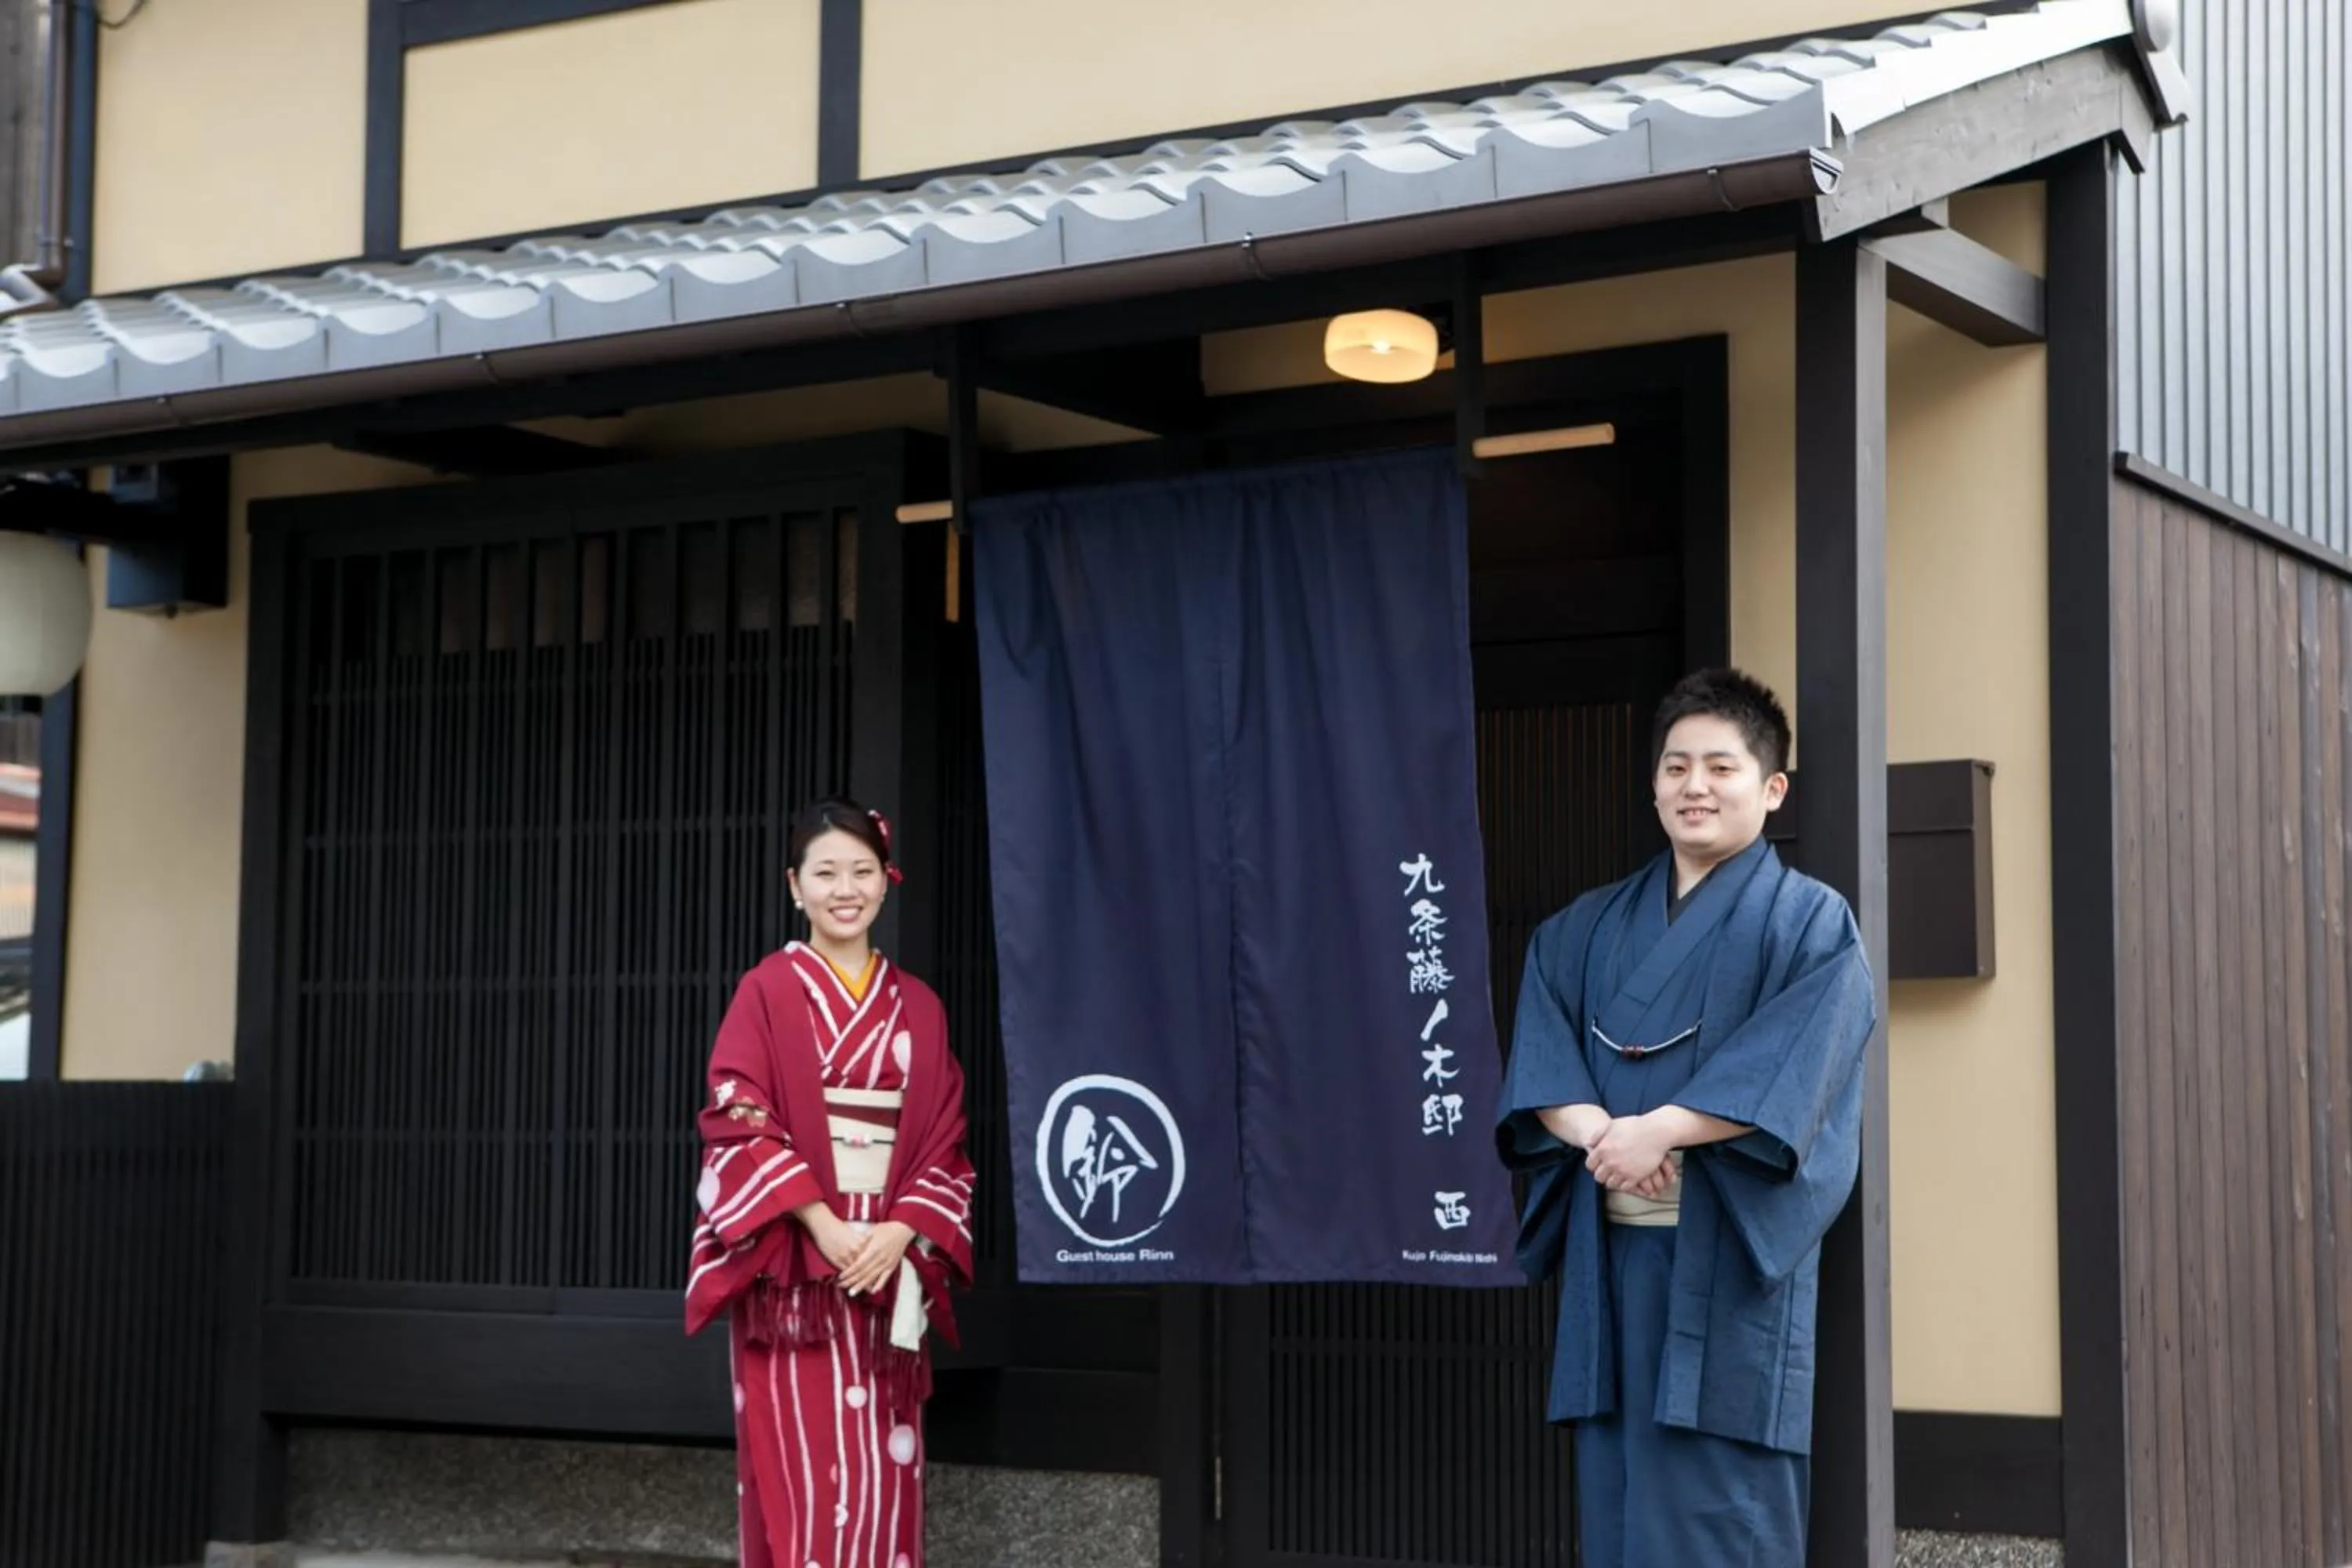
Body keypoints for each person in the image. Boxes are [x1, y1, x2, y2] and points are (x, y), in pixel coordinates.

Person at [1494, 668, 1876, 1568]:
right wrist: (1606, 1137)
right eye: (1675, 766)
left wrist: (1661, 1129)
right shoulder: (1580, 927)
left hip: (1724, 1264)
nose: (1693, 786)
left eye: (1720, 766)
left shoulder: (1813, 925)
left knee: (1717, 1517)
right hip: (1612, 1256)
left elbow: (1794, 1070)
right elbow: (1542, 1054)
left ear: (1772, 788)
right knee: (1621, 1511)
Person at [685, 797, 976, 1568]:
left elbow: (945, 1137)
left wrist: (902, 1228)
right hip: (793, 1267)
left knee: (885, 1475)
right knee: (800, 1472)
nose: (844, 888)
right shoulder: (768, 990)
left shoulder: (919, 1006)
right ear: (795, 884)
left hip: (886, 1260)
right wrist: (820, 1220)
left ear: (887, 882)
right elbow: (738, 1112)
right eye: (825, 872)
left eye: (862, 870)